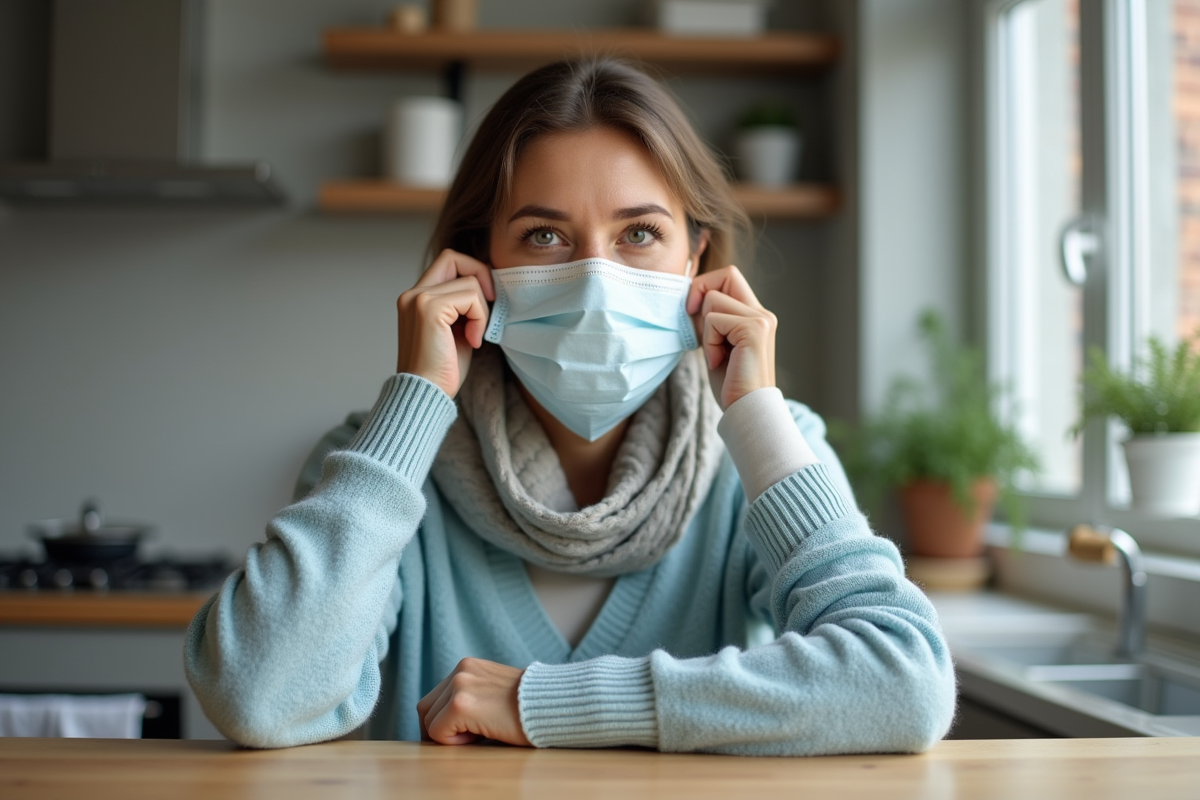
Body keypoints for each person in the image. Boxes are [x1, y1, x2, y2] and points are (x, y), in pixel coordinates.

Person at [184, 59, 956, 754]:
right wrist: (416, 401)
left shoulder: (765, 455)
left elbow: (905, 682)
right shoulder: (382, 463)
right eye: (545, 236)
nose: (595, 281)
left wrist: (543, 703)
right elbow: (257, 697)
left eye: (639, 233)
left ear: (697, 260)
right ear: (478, 264)